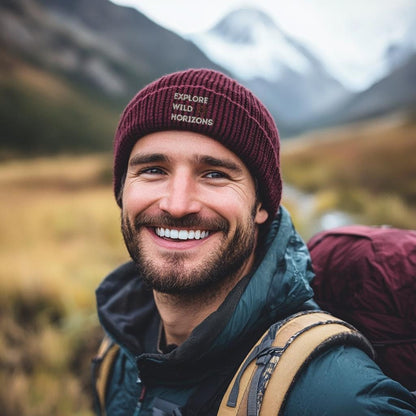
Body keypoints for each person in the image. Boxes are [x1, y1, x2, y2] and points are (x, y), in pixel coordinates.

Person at [93, 68, 416, 415]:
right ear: (122, 191)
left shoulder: (335, 396)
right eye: (153, 170)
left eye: (214, 174)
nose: (177, 204)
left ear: (261, 205)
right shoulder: (117, 349)